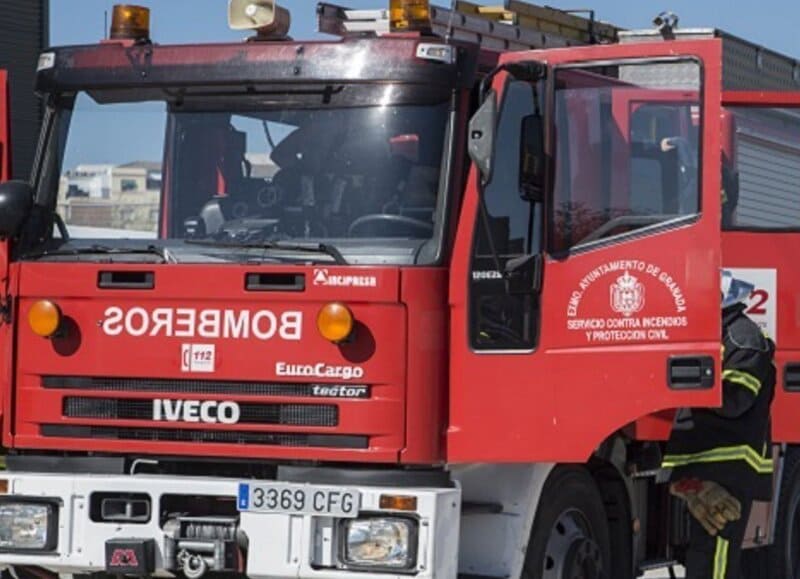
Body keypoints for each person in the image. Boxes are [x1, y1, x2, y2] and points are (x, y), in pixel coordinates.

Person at [663, 270, 776, 579]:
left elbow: (736, 399)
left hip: (728, 466)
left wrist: (689, 384)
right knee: (707, 553)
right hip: (709, 465)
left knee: (716, 556)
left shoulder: (744, 338)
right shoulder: (724, 337)